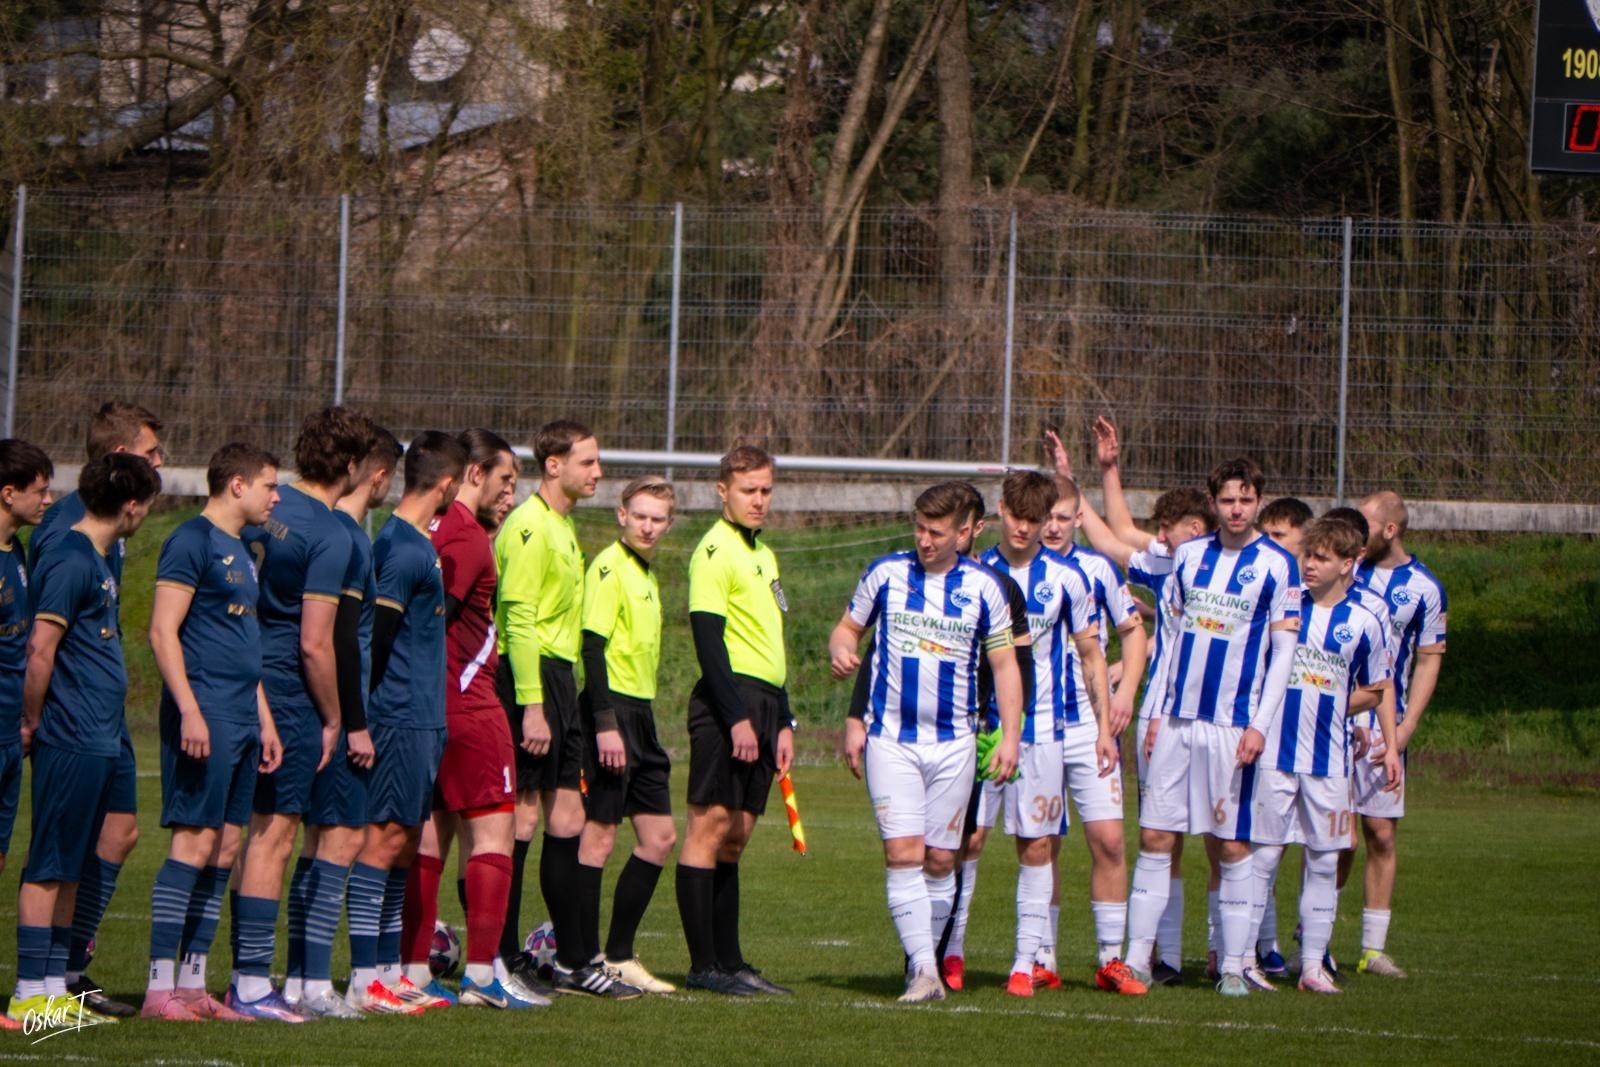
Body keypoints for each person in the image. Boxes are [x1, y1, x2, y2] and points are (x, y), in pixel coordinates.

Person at [831, 481, 1024, 1003]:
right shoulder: (885, 574)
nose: (924, 539)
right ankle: (922, 970)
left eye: (936, 531)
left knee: (942, 860)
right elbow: (846, 629)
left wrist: (1011, 736)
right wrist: (842, 649)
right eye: (919, 528)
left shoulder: (987, 589)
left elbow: (1005, 667)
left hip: (956, 745)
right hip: (891, 740)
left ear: (964, 532)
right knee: (902, 853)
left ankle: (929, 962)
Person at [1122, 456, 1301, 997]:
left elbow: (1284, 654)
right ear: (1214, 503)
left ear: (1259, 502)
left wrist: (1260, 725)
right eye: (1228, 500)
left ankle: (1234, 966)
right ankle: (1135, 962)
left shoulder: (1277, 566)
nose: (1238, 509)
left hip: (1232, 727)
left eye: (1246, 500)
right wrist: (1153, 713)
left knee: (1231, 845)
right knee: (1156, 836)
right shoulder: (1190, 557)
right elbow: (1169, 641)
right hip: (1176, 721)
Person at [1049, 422, 1213, 985]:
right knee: (1160, 835)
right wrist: (1089, 477)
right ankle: (1155, 955)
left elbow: (1115, 537)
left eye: (1165, 530)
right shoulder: (1168, 565)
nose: (1156, 538)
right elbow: (1114, 535)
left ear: (1194, 527)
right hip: (1164, 715)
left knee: (1224, 842)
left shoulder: (1243, 570)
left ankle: (1235, 954)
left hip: (1224, 718)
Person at [231, 406, 371, 1022]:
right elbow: (317, 643)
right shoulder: (334, 532)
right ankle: (252, 983)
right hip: (285, 689)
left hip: (235, 672)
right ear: (350, 466)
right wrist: (336, 717)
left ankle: (217, 977)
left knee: (236, 835)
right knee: (275, 833)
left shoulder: (270, 502)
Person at [10, 454, 160, 1025]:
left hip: (99, 736)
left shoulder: (94, 557)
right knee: (49, 864)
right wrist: (32, 721)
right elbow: (40, 650)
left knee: (71, 865)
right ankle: (29, 992)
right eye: (147, 503)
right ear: (131, 506)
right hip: (69, 736)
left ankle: (54, 989)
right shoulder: (71, 558)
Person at [142, 444, 284, 1021]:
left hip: (244, 717)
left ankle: (195, 986)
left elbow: (244, 641)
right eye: (269, 486)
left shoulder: (246, 550)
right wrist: (190, 709)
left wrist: (266, 720)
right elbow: (161, 631)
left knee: (226, 845)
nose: (276, 498)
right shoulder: (190, 541)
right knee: (193, 843)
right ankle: (157, 991)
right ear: (236, 485)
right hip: (206, 714)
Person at [974, 473, 1128, 997]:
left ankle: (1031, 963)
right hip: (978, 731)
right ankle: (942, 955)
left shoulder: (1067, 577)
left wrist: (1105, 729)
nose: (1024, 527)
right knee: (964, 842)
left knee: (1038, 845)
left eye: (1034, 520)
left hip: (1046, 732)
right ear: (1000, 511)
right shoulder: (975, 572)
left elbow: (1091, 655)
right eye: (1016, 516)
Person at [494, 420, 633, 997]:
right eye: (588, 462)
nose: (597, 472)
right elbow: (519, 619)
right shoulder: (528, 527)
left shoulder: (563, 527)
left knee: (568, 819)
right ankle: (500, 957)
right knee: (520, 819)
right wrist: (531, 705)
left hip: (559, 679)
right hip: (530, 680)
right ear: (554, 465)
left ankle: (574, 960)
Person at [405, 429, 541, 1009]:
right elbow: (437, 622)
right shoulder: (466, 539)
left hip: (429, 706)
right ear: (472, 474)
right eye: (505, 479)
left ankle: (412, 969)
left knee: (430, 835)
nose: (510, 492)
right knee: (494, 835)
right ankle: (483, 976)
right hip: (469, 703)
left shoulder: (427, 530)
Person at [341, 432, 465, 1015]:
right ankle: (365, 977)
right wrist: (362, 717)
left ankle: (389, 971)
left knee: (406, 841)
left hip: (423, 721)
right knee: (383, 839)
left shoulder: (417, 543)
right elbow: (377, 638)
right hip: (397, 720)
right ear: (445, 484)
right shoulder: (402, 550)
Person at [1248, 517, 1397, 993]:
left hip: (1330, 760)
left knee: (1325, 859)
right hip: (1274, 751)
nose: (1309, 565)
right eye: (1307, 555)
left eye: (1322, 558)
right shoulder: (1285, 606)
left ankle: (1312, 966)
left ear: (1348, 564)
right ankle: (1243, 958)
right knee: (1265, 855)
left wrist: (1335, 710)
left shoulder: (1366, 620)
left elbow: (1376, 688)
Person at [283, 424, 397, 1018]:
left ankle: (301, 979)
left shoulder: (305, 520)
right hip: (328, 709)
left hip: (299, 703)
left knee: (315, 838)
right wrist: (354, 720)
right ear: (371, 473)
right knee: (341, 836)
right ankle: (312, 981)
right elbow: (341, 641)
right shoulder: (344, 537)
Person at [677, 445, 794, 996]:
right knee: (709, 826)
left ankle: (731, 960)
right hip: (730, 703)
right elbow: (708, 641)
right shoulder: (712, 551)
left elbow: (772, 642)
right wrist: (736, 719)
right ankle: (704, 966)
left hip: (766, 704)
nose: (759, 500)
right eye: (749, 490)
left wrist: (785, 718)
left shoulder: (763, 554)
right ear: (722, 490)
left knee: (738, 835)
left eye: (766, 490)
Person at [1027, 470, 1150, 993]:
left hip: (1087, 727)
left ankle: (1109, 958)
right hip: (1036, 729)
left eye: (1061, 517)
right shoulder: (1017, 569)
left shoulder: (1097, 568)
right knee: (1043, 844)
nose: (1052, 527)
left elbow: (1133, 632)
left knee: (1109, 840)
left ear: (1079, 516)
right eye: (1044, 518)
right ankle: (1044, 958)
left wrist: (1122, 697)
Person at [577, 477, 680, 994]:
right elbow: (591, 649)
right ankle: (582, 959)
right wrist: (604, 724)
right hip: (611, 713)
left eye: (657, 519)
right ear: (621, 515)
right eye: (639, 515)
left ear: (668, 524)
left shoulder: (645, 574)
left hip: (641, 716)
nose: (647, 526)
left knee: (659, 838)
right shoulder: (608, 567)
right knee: (598, 837)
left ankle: (618, 955)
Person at [1352, 490, 1446, 979]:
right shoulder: (1346, 568)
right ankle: (1312, 940)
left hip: (1387, 724)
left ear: (1390, 529)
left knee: (1380, 833)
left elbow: (1430, 658)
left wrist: (1405, 729)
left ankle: (1372, 949)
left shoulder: (1425, 588)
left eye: (1365, 523)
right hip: (1337, 718)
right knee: (1335, 837)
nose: (1355, 529)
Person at [0, 439, 51, 1034]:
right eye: (40, 488)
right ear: (8, 493)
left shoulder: (19, 550)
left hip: (10, 734)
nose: (48, 498)